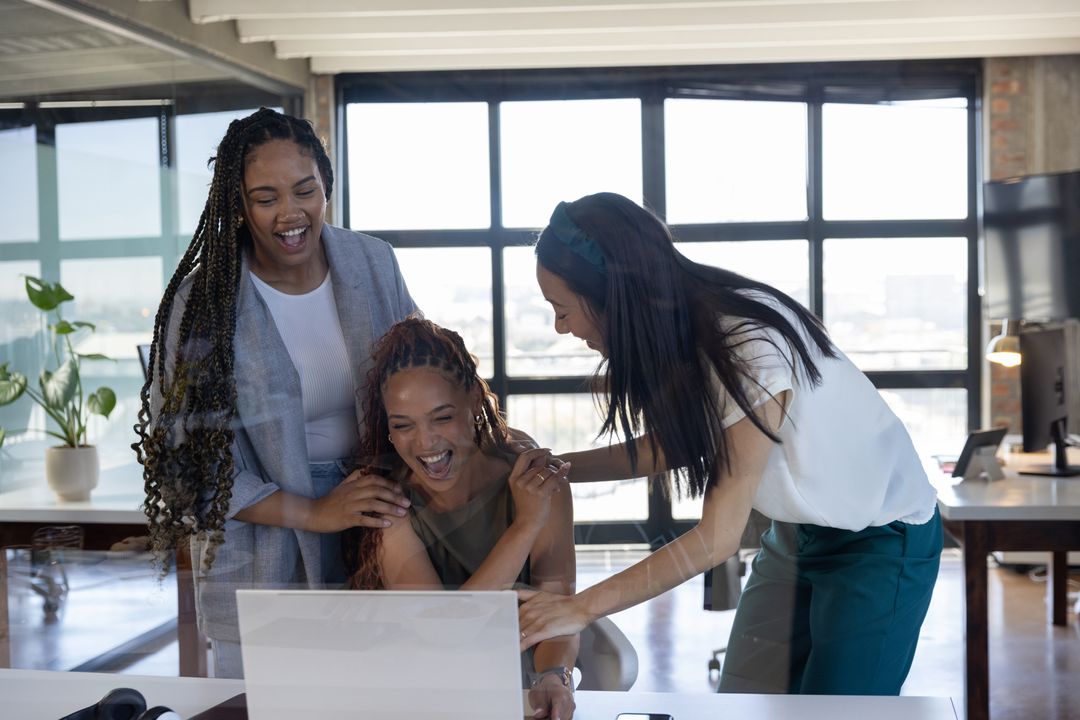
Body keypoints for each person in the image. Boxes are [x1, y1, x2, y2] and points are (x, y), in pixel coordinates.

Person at [517, 192, 943, 696]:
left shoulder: (747, 344)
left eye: (562, 310)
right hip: (799, 533)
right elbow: (681, 445)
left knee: (839, 710)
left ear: (612, 294)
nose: (560, 327)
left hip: (881, 539)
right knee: (745, 701)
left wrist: (579, 608)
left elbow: (717, 540)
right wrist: (558, 467)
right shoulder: (686, 331)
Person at [132, 108, 416, 678]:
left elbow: (424, 378)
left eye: (305, 190)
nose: (291, 213)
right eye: (266, 198)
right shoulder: (203, 303)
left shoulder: (373, 262)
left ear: (326, 187)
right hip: (260, 545)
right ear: (237, 205)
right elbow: (186, 464)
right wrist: (315, 511)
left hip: (380, 523)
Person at [343, 317, 577, 720]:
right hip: (427, 691)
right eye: (403, 425)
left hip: (520, 685)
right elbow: (443, 633)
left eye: (442, 417)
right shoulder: (387, 500)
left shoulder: (535, 482)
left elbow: (557, 607)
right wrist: (525, 526)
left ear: (473, 401)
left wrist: (553, 676)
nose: (426, 442)